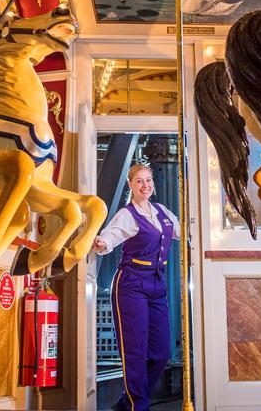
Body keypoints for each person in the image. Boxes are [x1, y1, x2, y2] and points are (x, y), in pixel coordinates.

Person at [94, 163, 181, 411]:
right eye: (139, 181)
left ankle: (126, 402)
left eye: (149, 181)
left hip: (157, 283)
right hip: (131, 283)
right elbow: (111, 235)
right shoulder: (127, 215)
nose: (145, 185)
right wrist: (102, 244)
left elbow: (183, 231)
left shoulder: (162, 211)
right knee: (135, 350)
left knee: (161, 351)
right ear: (131, 185)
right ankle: (137, 406)